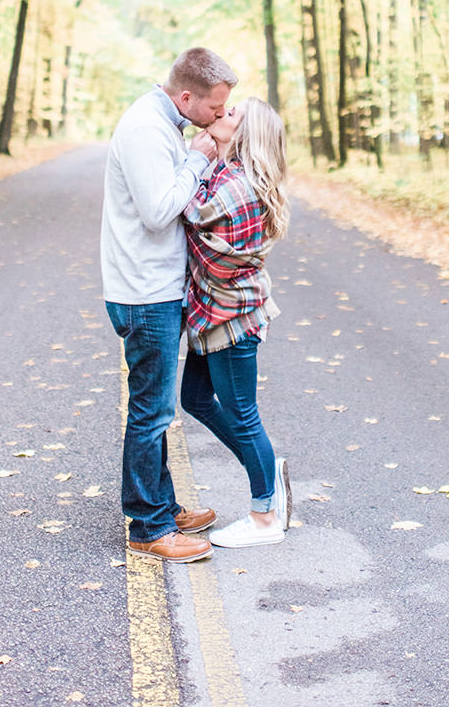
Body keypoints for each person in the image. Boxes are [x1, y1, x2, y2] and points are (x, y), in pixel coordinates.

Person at [101, 47, 238, 562]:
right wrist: (200, 159)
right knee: (151, 411)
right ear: (186, 97)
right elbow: (160, 212)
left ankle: (162, 504)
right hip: (143, 293)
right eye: (216, 107)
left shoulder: (166, 125)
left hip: (157, 287)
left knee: (155, 408)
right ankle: (149, 527)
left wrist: (196, 156)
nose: (222, 116)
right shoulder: (145, 130)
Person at [180, 96, 292, 548]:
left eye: (231, 114)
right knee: (195, 398)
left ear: (246, 134)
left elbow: (187, 214)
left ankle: (265, 517)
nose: (220, 114)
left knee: (244, 416)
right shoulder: (227, 173)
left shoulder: (238, 185)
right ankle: (265, 470)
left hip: (232, 317)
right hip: (215, 315)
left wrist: (190, 164)